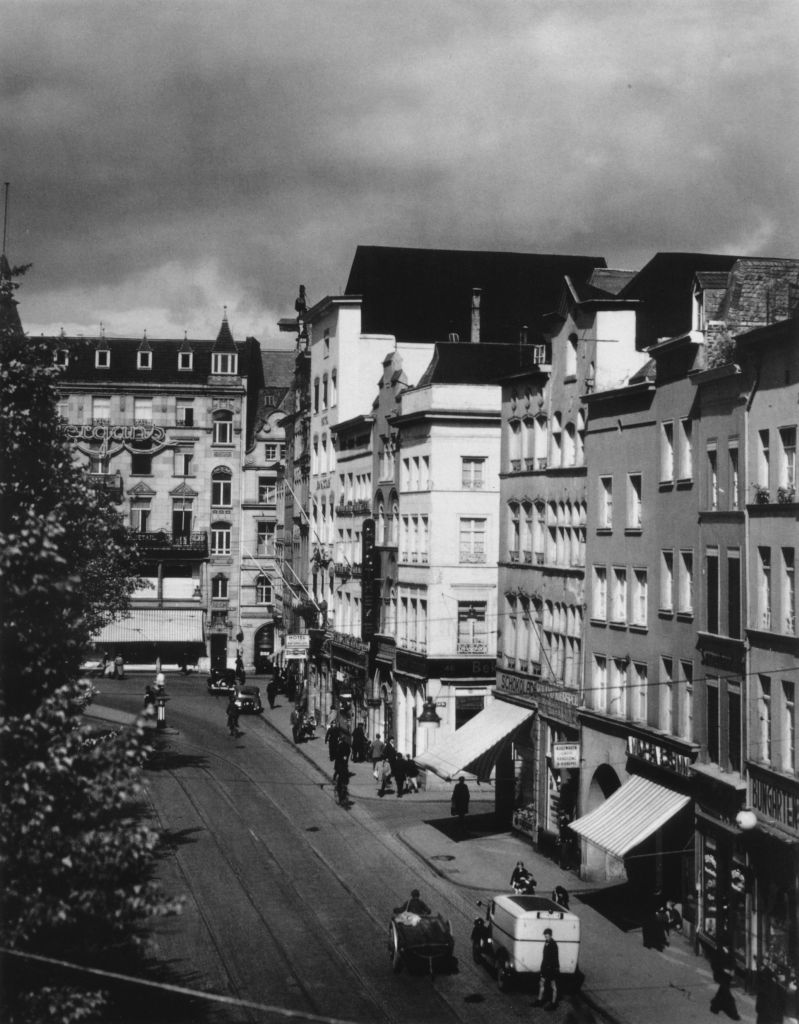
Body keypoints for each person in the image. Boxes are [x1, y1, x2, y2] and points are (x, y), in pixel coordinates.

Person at [710, 943, 740, 1020]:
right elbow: (714, 965)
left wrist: (732, 970)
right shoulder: (718, 952)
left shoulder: (730, 951)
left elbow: (733, 962)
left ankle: (714, 1007)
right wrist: (724, 970)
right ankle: (734, 1014)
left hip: (728, 977)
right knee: (729, 996)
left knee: (721, 992)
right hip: (720, 975)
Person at [534, 928, 560, 1009]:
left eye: (547, 936)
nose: (546, 938)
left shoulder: (553, 944)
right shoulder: (547, 943)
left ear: (551, 935)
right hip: (545, 967)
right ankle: (539, 1000)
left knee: (553, 986)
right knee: (541, 983)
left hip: (552, 968)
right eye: (545, 936)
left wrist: (552, 969)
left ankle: (553, 1003)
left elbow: (554, 958)